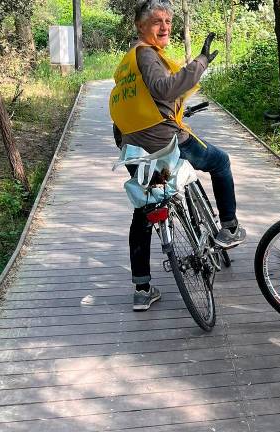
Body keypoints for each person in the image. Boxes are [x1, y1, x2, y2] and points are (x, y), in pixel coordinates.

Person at [110, 0, 246, 311]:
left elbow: (130, 103)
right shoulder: (145, 54)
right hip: (166, 144)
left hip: (135, 148)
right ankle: (229, 227)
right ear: (140, 26)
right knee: (220, 161)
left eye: (169, 21)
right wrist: (199, 63)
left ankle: (142, 289)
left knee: (145, 209)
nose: (165, 27)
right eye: (157, 21)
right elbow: (164, 89)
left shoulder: (126, 63)